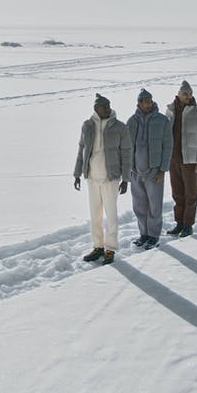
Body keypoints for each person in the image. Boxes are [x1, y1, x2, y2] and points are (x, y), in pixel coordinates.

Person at [73, 92, 132, 265]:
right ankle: (98, 246)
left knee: (111, 214)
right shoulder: (87, 126)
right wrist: (77, 173)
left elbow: (127, 153)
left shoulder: (120, 127)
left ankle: (110, 248)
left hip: (111, 178)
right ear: (96, 109)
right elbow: (81, 149)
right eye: (104, 107)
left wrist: (126, 179)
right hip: (92, 177)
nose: (108, 109)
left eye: (108, 106)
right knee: (95, 215)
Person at [126, 87, 173, 249]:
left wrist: (162, 169)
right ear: (139, 103)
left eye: (150, 100)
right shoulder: (132, 121)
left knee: (155, 206)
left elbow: (168, 146)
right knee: (139, 206)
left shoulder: (162, 120)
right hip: (135, 172)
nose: (149, 103)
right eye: (146, 101)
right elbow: (126, 147)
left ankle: (153, 235)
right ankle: (143, 234)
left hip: (154, 172)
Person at [165, 80, 197, 238]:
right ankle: (179, 223)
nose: (188, 96)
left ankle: (188, 225)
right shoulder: (170, 112)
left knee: (191, 194)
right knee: (177, 194)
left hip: (190, 161)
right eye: (185, 93)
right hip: (173, 160)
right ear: (178, 94)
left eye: (190, 94)